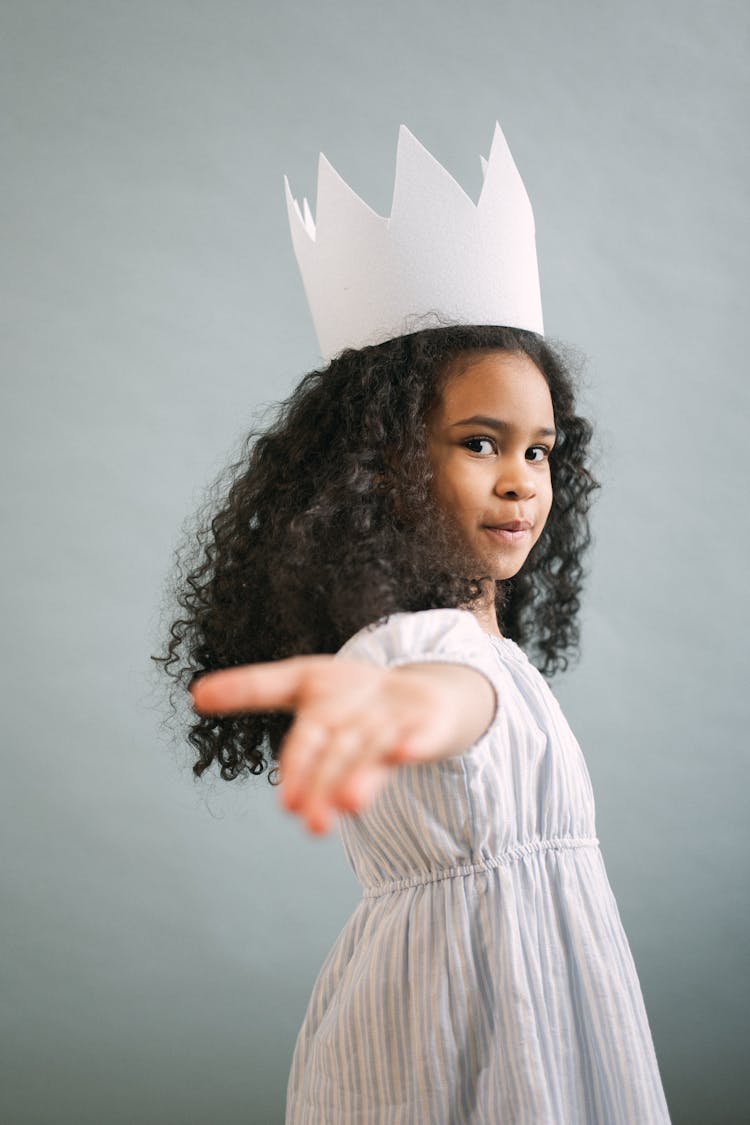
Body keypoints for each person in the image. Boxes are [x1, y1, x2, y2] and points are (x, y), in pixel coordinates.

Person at [155, 125, 672, 1123]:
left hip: (512, 1023)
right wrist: (392, 703)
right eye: (481, 444)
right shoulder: (418, 649)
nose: (522, 480)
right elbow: (444, 697)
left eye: (541, 451)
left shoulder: (486, 651)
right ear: (386, 468)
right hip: (455, 1046)